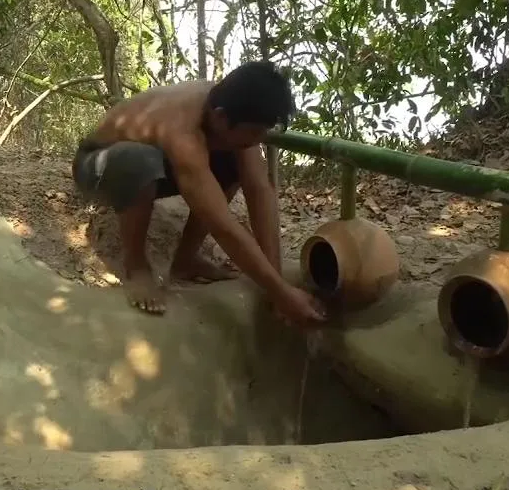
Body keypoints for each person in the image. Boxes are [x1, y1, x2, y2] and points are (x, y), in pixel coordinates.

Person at [71, 61, 326, 325]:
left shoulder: (233, 108)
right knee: (138, 159)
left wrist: (278, 284)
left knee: (232, 163)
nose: (258, 140)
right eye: (254, 132)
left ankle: (186, 259)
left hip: (158, 162)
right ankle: (136, 266)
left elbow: (259, 190)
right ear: (221, 117)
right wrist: (282, 294)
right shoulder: (183, 128)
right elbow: (221, 224)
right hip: (97, 166)